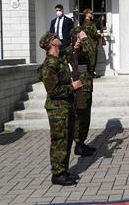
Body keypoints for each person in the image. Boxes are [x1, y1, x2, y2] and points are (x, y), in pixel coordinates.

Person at [37, 32, 83, 186]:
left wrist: (76, 43)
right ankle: (57, 174)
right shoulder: (49, 65)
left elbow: (69, 52)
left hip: (66, 106)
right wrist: (72, 86)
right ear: (52, 43)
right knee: (59, 141)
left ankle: (63, 170)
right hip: (57, 109)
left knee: (67, 139)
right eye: (55, 37)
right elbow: (53, 90)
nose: (58, 38)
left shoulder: (58, 60)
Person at [72, 27, 97, 157]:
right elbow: (92, 51)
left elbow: (91, 55)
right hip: (80, 88)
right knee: (80, 117)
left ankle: (81, 142)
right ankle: (78, 144)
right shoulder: (73, 50)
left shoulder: (81, 49)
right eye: (81, 35)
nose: (84, 37)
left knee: (85, 117)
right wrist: (84, 39)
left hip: (86, 87)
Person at [81, 9, 100, 78]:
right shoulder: (87, 23)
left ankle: (91, 73)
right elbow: (92, 33)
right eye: (90, 13)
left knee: (93, 59)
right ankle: (90, 74)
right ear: (86, 14)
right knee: (91, 59)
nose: (92, 14)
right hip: (90, 44)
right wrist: (100, 36)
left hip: (92, 43)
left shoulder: (90, 22)